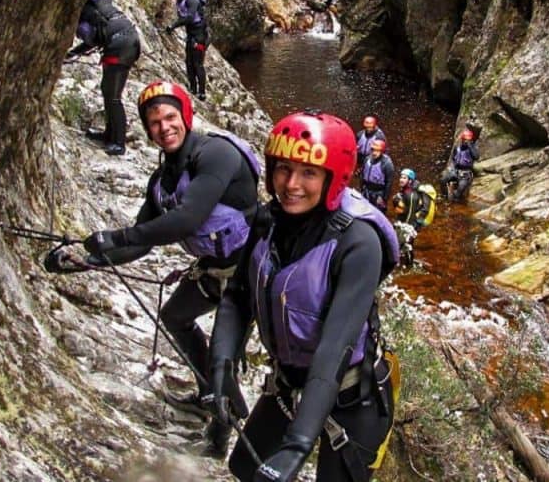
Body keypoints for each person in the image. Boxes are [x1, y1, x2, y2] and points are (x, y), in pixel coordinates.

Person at [59, 80, 261, 457]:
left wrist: (114, 236)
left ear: (186, 116)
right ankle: (211, 395)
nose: (164, 127)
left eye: (171, 117)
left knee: (222, 356)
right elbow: (142, 241)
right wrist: (86, 259)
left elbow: (187, 219)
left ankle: (221, 437)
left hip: (252, 270)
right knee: (175, 316)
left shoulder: (216, 154)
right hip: (215, 268)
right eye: (154, 122)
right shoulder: (162, 180)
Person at [207, 110, 400, 482]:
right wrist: (221, 366)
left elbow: (335, 347)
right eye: (283, 168)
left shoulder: (359, 243)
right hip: (288, 383)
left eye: (309, 172)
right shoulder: (269, 221)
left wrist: (297, 444)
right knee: (245, 469)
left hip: (351, 396)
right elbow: (237, 298)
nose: (291, 184)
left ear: (334, 178)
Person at [67, 0, 141, 156]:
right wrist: (73, 53)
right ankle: (110, 135)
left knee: (113, 96)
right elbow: (99, 34)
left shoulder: (85, 12)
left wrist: (73, 53)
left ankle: (119, 143)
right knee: (108, 92)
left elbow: (92, 38)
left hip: (119, 47)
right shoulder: (97, 8)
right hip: (127, 42)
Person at [164, 0, 210, 101]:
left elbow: (189, 18)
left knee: (197, 64)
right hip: (191, 34)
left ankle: (202, 92)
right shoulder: (181, 0)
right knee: (189, 62)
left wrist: (173, 26)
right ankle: (193, 88)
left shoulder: (192, 0)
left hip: (199, 36)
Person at [441, 129, 479, 202]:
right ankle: (445, 196)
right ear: (462, 139)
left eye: (468, 140)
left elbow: (476, 157)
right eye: (464, 140)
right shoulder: (457, 147)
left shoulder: (472, 148)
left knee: (460, 190)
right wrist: (451, 168)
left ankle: (455, 197)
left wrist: (470, 146)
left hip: (466, 173)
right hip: (456, 170)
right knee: (443, 179)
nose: (466, 141)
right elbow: (453, 158)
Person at [359, 139, 394, 212]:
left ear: (382, 151)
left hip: (378, 193)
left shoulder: (387, 164)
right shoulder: (367, 159)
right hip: (367, 190)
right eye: (373, 150)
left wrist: (385, 198)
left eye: (377, 151)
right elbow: (362, 174)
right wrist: (361, 188)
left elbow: (389, 182)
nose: (374, 153)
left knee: (377, 212)